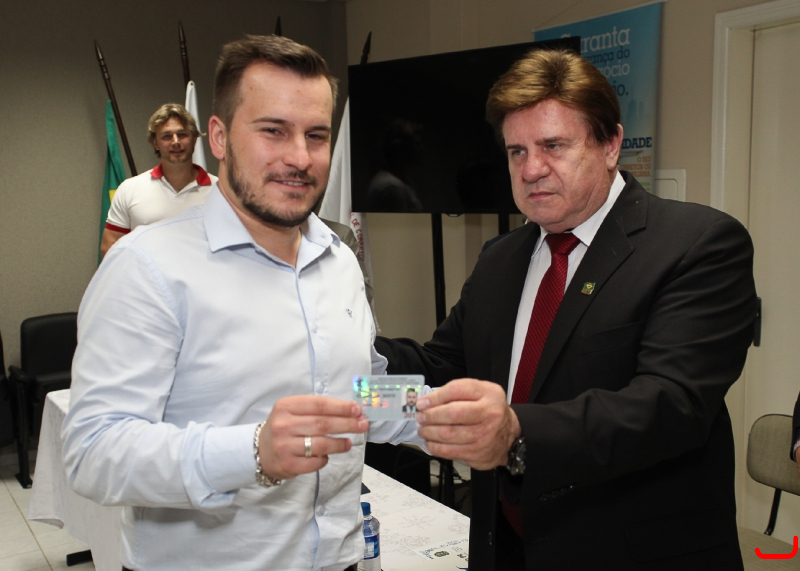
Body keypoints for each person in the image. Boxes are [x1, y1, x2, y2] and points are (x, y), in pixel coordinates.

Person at [376, 49, 757, 570]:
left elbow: (670, 405)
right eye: (516, 151)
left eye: (553, 145)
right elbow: (445, 369)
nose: (531, 169)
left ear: (610, 144)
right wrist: (349, 365)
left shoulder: (698, 244)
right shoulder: (501, 258)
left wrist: (515, 432)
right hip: (509, 548)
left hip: (632, 555)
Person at [63, 35, 421, 571]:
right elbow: (93, 451)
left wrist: (432, 412)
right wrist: (252, 451)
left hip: (342, 558)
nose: (300, 157)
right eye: (273, 130)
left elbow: (357, 393)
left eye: (316, 135)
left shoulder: (338, 259)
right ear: (219, 137)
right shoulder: (147, 267)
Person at [100, 103, 217, 257]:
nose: (176, 141)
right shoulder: (130, 189)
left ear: (194, 139)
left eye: (182, 134)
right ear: (155, 143)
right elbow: (110, 247)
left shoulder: (220, 191)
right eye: (167, 136)